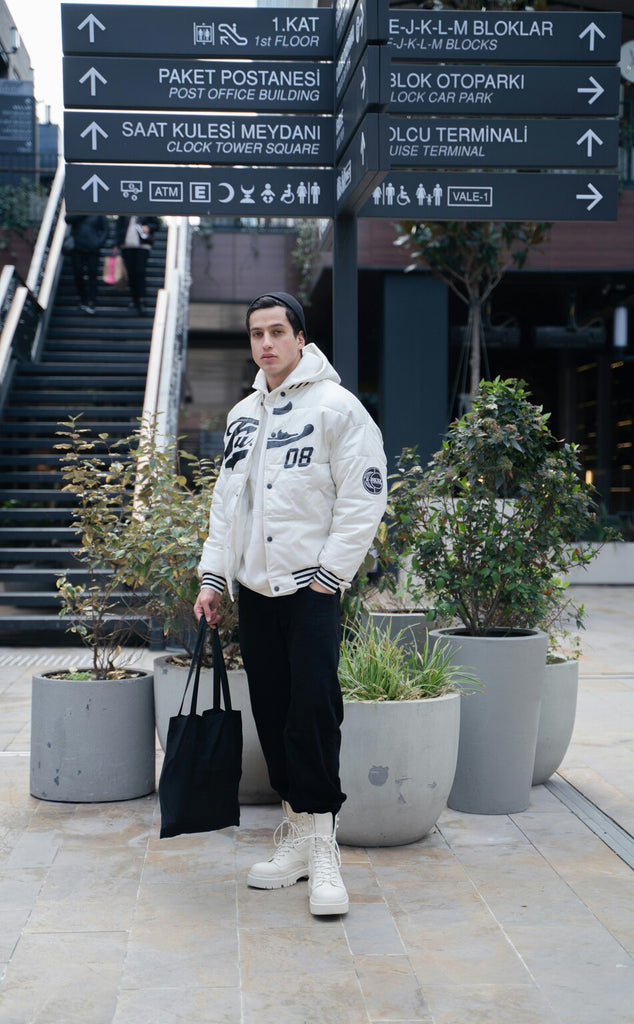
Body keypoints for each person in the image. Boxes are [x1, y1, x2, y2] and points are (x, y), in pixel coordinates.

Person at [194, 292, 387, 917]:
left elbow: (364, 496)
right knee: (274, 713)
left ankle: (325, 844)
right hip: (256, 592)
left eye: (278, 331)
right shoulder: (242, 416)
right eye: (257, 334)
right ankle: (299, 839)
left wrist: (331, 574)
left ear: (301, 338)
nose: (267, 344)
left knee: (314, 711)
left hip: (311, 590)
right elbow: (229, 507)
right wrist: (213, 580)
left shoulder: (337, 408)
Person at [112, 215, 160, 315]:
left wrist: (148, 227)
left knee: (140, 272)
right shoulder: (123, 213)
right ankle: (135, 299)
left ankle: (141, 299)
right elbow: (119, 227)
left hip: (142, 246)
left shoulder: (147, 210)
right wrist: (116, 243)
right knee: (131, 274)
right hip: (127, 246)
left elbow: (157, 225)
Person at [64, 214, 109, 315]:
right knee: (78, 273)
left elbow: (105, 229)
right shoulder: (78, 210)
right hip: (77, 248)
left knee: (92, 275)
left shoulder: (98, 213)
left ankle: (92, 300)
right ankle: (83, 298)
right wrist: (82, 213)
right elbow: (67, 219)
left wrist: (98, 243)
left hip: (93, 249)